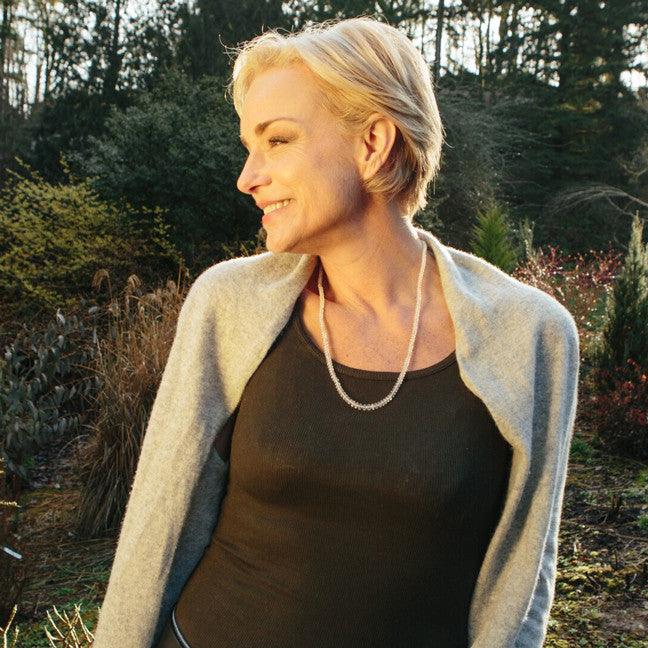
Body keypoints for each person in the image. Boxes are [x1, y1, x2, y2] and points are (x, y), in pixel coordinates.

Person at [91, 16, 580, 648]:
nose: (247, 176)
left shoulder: (532, 336)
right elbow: (156, 526)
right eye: (249, 146)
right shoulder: (228, 303)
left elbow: (524, 575)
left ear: (373, 142)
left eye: (279, 141)